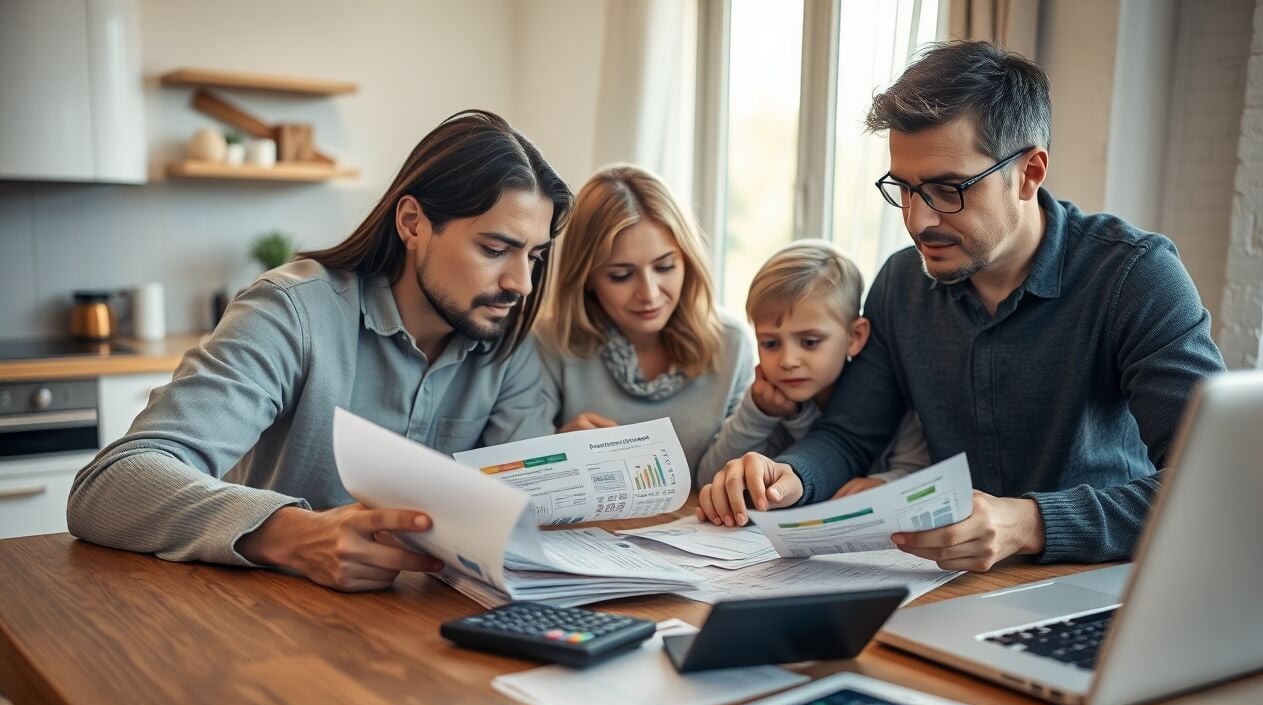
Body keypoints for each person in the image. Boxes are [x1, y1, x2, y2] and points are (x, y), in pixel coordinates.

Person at [696, 41, 1226, 572]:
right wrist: (790, 476)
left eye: (948, 189)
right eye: (903, 189)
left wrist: (1029, 523)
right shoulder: (902, 283)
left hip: (1097, 581)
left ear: (1030, 172)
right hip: (949, 579)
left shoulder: (1133, 276)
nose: (918, 220)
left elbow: (1214, 483)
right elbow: (851, 435)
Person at [67, 110, 573, 592]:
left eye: (535, 255)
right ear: (413, 223)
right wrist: (294, 534)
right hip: (271, 626)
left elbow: (520, 516)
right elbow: (110, 486)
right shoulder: (291, 312)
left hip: (426, 634)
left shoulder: (509, 341)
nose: (522, 284)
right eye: (494, 249)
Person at [536, 163, 753, 476]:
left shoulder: (731, 343)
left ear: (688, 262)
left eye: (665, 267)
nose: (649, 294)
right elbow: (520, 473)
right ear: (587, 278)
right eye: (621, 276)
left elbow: (730, 473)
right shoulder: (549, 342)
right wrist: (560, 450)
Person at [695, 239, 928, 510]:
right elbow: (709, 479)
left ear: (855, 336)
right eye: (770, 343)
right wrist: (758, 413)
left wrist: (884, 486)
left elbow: (919, 474)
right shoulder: (768, 399)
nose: (788, 361)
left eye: (810, 342)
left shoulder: (888, 397)